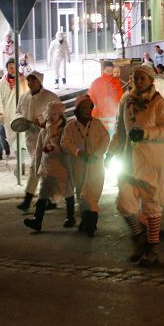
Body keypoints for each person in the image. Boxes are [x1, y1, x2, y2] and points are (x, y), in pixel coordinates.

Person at [111, 64, 164, 267]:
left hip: (151, 163)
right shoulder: (126, 101)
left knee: (153, 205)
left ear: (150, 81)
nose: (138, 82)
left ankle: (152, 249)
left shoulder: (160, 104)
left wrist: (146, 134)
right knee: (124, 203)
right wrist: (110, 153)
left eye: (142, 79)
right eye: (135, 78)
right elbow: (119, 130)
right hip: (129, 163)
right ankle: (139, 236)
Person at [61, 94, 109, 237]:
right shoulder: (70, 126)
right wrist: (78, 152)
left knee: (93, 195)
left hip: (95, 166)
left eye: (89, 107)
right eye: (83, 108)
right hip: (79, 166)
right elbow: (65, 143)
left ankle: (91, 225)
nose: (86, 110)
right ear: (78, 110)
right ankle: (85, 221)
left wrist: (97, 154)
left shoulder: (98, 124)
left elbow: (105, 139)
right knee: (81, 195)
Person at [14, 70, 61, 211]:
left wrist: (42, 121)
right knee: (46, 170)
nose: (30, 83)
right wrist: (20, 121)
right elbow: (18, 113)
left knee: (36, 167)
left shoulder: (50, 97)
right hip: (30, 138)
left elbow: (58, 116)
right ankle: (53, 199)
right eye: (28, 80)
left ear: (39, 81)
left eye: (33, 80)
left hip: (47, 138)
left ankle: (28, 200)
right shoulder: (24, 98)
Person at [23, 100, 69, 232]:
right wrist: (38, 168)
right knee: (42, 194)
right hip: (47, 170)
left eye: (55, 114)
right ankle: (37, 220)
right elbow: (38, 152)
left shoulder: (65, 130)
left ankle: (72, 216)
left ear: (61, 115)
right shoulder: (44, 132)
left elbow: (66, 147)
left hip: (62, 169)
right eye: (50, 114)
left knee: (68, 193)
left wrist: (55, 148)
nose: (52, 117)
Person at [0, 58, 27, 164]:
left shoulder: (23, 80)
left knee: (21, 139)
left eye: (14, 67)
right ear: (7, 68)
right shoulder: (2, 82)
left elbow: (28, 96)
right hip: (8, 116)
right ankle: (19, 160)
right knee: (13, 139)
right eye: (10, 67)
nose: (12, 69)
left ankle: (21, 162)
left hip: (21, 115)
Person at [89, 60, 124, 137]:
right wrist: (95, 112)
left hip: (113, 115)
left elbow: (121, 98)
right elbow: (91, 99)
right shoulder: (96, 82)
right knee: (101, 136)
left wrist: (119, 111)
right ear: (103, 70)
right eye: (107, 70)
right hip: (100, 115)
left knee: (112, 136)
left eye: (111, 71)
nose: (109, 73)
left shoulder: (116, 82)